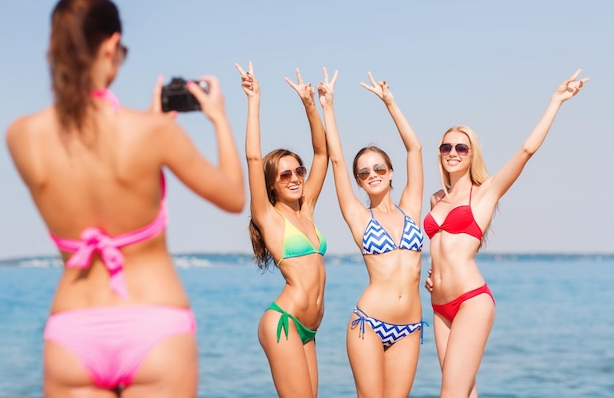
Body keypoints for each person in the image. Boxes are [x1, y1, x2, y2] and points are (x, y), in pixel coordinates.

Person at [6, 0, 245, 397]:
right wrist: (218, 118)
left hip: (72, 331)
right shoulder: (153, 133)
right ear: (112, 44)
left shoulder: (22, 136)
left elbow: (88, 156)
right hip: (155, 323)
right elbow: (233, 197)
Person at [423, 69, 589, 397]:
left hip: (471, 301)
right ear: (440, 153)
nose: (453, 153)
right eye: (446, 147)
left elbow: (526, 150)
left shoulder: (485, 193)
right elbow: (442, 248)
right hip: (439, 306)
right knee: (465, 392)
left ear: (472, 155)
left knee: (450, 394)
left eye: (461, 148)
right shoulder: (436, 199)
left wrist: (556, 100)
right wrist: (434, 274)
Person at [322, 70, 425, 397]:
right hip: (368, 324)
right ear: (359, 181)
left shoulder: (410, 208)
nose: (373, 174)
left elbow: (415, 149)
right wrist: (327, 106)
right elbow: (337, 161)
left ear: (391, 172)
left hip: (409, 328)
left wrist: (390, 103)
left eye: (380, 168)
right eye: (364, 172)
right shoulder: (358, 217)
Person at [235, 61, 329, 398]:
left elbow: (322, 153)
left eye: (297, 172)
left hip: (308, 328)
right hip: (283, 322)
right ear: (272, 184)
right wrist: (254, 100)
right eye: (285, 175)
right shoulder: (268, 216)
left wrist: (309, 106)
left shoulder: (308, 208)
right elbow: (252, 157)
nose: (294, 179)